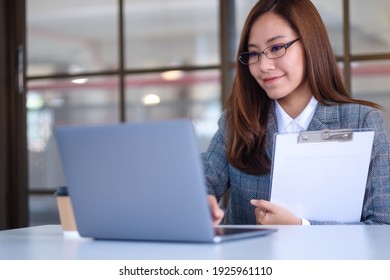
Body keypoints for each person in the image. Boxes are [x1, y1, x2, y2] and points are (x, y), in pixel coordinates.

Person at [202, 0, 390, 225]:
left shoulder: (362, 121)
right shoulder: (237, 122)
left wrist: (301, 227)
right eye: (253, 54)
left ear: (311, 45)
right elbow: (202, 181)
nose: (263, 66)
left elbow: (383, 224)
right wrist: (200, 201)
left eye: (276, 48)